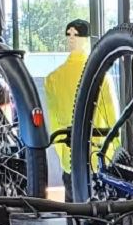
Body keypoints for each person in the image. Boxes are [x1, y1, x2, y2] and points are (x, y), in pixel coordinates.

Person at [44, 18, 112, 177]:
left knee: (72, 198)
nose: (72, 38)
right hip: (98, 154)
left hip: (70, 154)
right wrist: (114, 149)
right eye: (69, 35)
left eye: (76, 35)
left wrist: (61, 151)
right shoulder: (101, 74)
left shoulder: (53, 78)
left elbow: (54, 122)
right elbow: (112, 114)